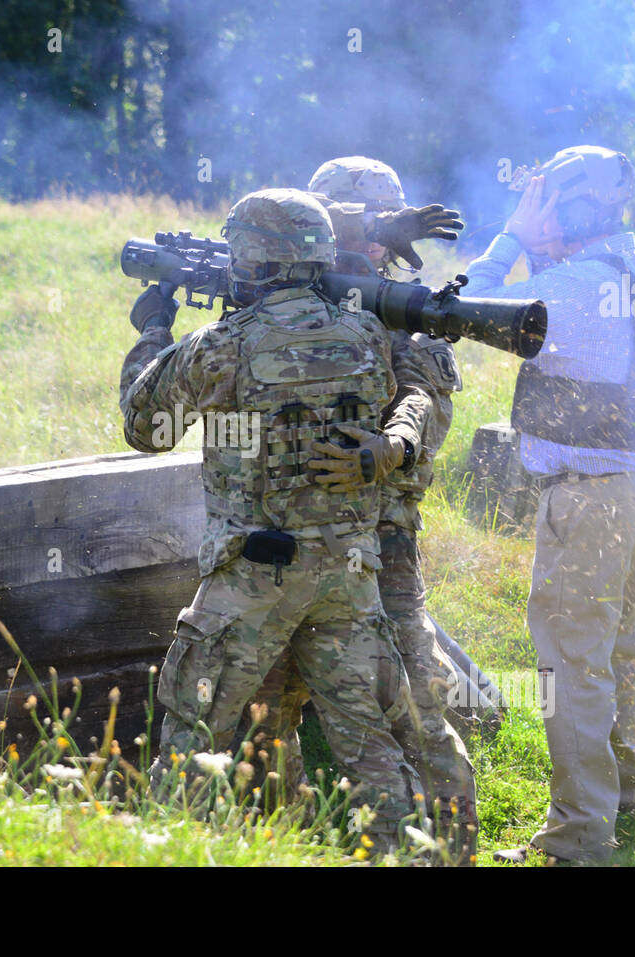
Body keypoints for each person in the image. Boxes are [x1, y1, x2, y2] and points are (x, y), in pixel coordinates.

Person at [119, 187, 425, 850]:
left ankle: (174, 850)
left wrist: (151, 331)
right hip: (349, 573)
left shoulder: (223, 344)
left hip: (253, 577)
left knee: (194, 730)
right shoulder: (368, 336)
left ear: (252, 257)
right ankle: (409, 853)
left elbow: (145, 428)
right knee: (369, 741)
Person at [242, 156, 479, 864]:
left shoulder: (408, 311)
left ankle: (453, 844)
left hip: (381, 543)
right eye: (357, 223)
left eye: (381, 227)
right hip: (284, 539)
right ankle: (280, 839)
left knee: (416, 704)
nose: (370, 244)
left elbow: (426, 409)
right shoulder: (277, 294)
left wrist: (390, 443)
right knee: (268, 704)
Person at [462, 146, 635, 865]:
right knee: (616, 651)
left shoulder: (574, 285)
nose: (532, 208)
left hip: (589, 502)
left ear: (573, 206)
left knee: (570, 668)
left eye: (543, 196)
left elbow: (455, 308)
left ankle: (580, 837)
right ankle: (623, 792)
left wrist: (514, 236)